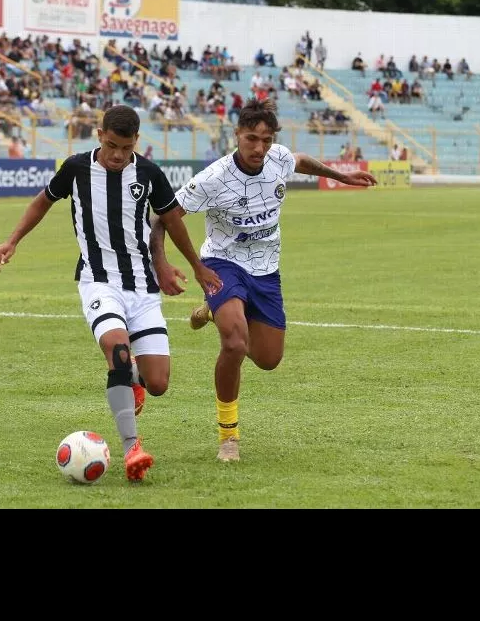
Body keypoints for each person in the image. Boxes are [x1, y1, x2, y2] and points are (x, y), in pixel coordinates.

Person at [0, 105, 222, 482]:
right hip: (98, 280)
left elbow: (171, 220)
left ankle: (135, 384)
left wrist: (193, 265)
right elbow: (41, 202)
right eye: (111, 145)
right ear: (99, 135)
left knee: (158, 383)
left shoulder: (148, 173)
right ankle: (132, 447)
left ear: (136, 143)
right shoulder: (77, 169)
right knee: (117, 348)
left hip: (142, 287)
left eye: (125, 148)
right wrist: (11, 241)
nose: (117, 155)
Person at [151, 99, 377, 462]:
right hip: (221, 263)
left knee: (269, 359)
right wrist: (165, 263)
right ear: (237, 135)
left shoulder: (278, 159)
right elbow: (162, 218)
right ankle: (229, 437)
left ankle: (213, 313)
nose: (259, 148)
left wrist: (342, 176)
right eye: (251, 138)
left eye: (266, 140)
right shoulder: (213, 178)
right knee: (236, 343)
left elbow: (300, 160)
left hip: (266, 269)